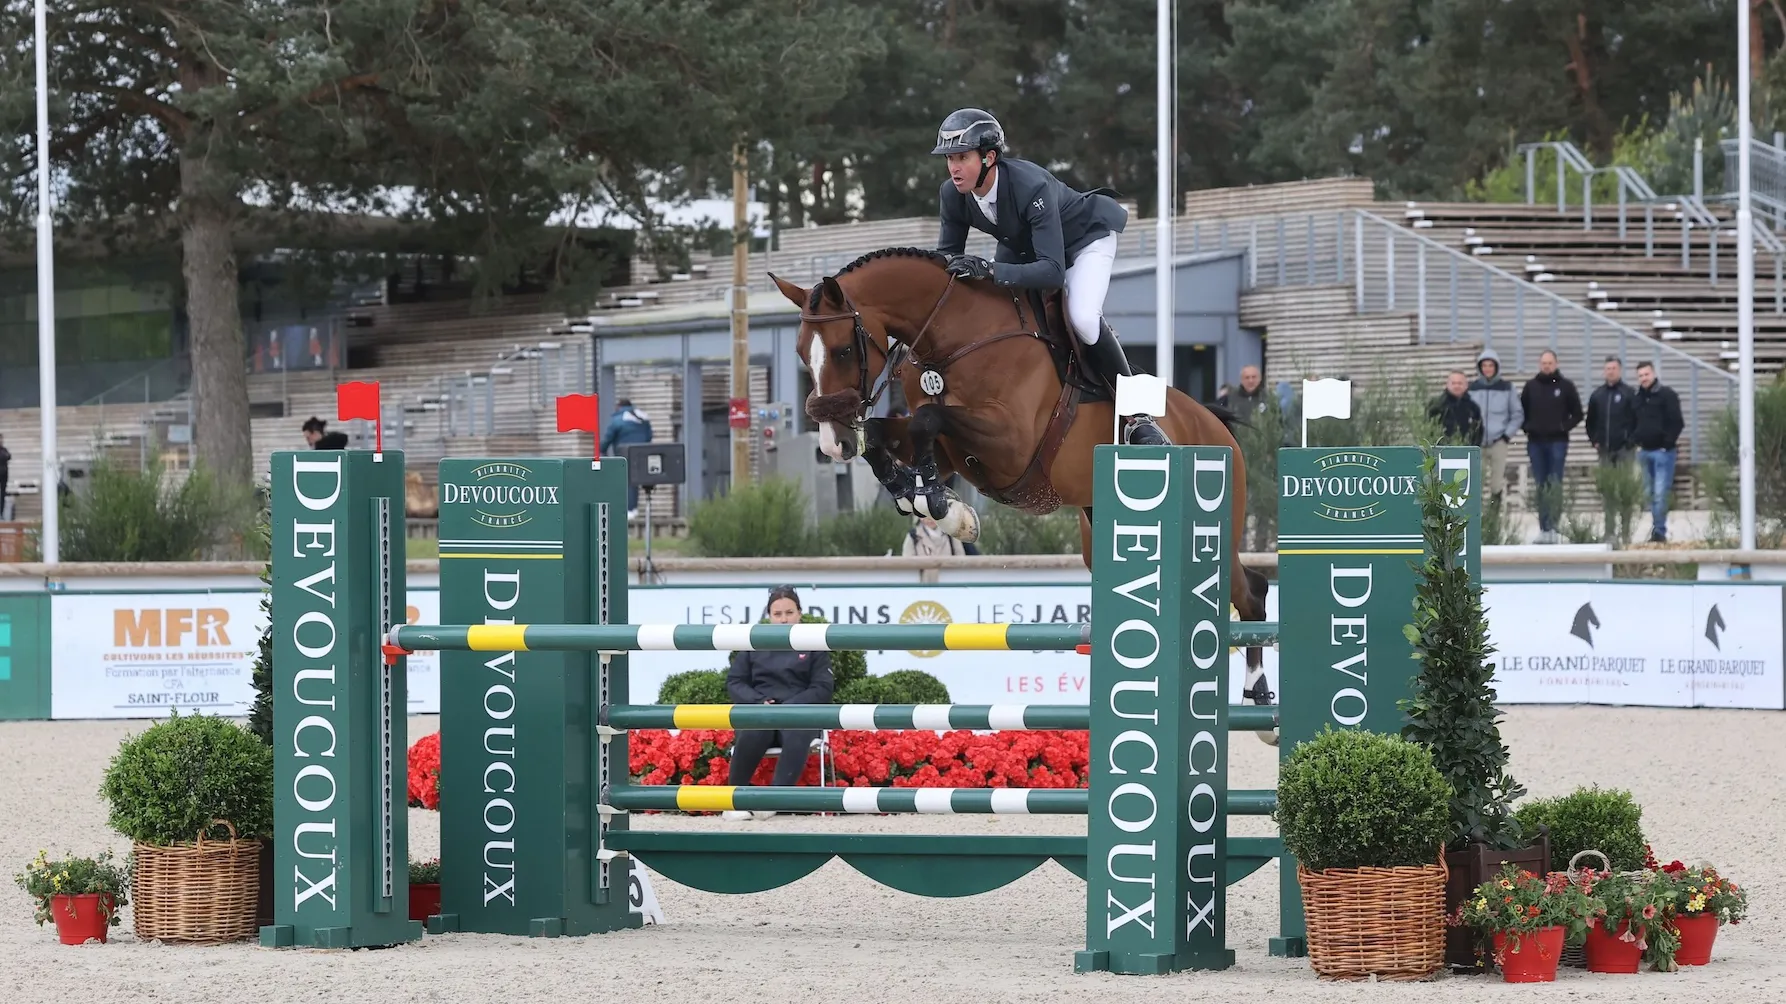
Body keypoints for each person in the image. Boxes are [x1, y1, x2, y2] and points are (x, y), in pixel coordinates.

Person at [929, 108, 1165, 446]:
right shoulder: (952, 194)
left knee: (1083, 318)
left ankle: (1136, 417)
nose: (953, 167)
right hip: (1025, 247)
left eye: (962, 157)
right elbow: (947, 261)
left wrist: (991, 270)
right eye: (949, 158)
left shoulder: (1029, 185)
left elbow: (1053, 273)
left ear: (989, 157)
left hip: (1084, 241)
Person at [723, 586, 835, 821]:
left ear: (800, 613)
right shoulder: (755, 642)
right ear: (769, 616)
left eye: (789, 612)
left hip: (797, 714)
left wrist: (790, 707)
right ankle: (733, 802)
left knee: (796, 731)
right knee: (754, 730)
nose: (784, 619)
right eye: (778, 614)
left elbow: (822, 687)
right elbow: (735, 681)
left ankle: (775, 801)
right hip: (762, 710)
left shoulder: (814, 643)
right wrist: (758, 702)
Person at [1520, 350, 1583, 544]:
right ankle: (1544, 527)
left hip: (1558, 442)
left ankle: (1554, 526)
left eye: (1550, 362)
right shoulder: (1531, 386)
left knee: (1555, 484)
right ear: (1539, 364)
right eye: (1543, 363)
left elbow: (1578, 413)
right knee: (1541, 485)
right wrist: (1528, 428)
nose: (1546, 366)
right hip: (1536, 443)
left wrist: (1563, 427)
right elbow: (1520, 412)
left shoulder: (1566, 386)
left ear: (1556, 363)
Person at [1630, 361, 1684, 543]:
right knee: (1649, 494)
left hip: (1663, 453)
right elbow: (1632, 422)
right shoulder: (1636, 398)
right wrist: (1635, 441)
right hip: (1644, 452)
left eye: (1646, 374)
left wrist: (1666, 443)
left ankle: (1659, 531)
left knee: (1661, 492)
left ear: (1653, 374)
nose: (1643, 378)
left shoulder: (1667, 395)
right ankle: (1656, 527)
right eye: (1640, 376)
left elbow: (1677, 422)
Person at [1467, 348, 1522, 510]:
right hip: (1477, 442)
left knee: (1496, 483)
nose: (1488, 369)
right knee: (1476, 481)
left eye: (1491, 365)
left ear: (1496, 367)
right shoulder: (1472, 388)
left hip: (1498, 441)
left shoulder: (1507, 388)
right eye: (1484, 365)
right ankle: (1476, 518)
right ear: (1480, 368)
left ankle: (1494, 520)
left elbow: (1517, 414)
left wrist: (1506, 435)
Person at [598, 399, 653, 518]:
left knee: (626, 481)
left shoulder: (618, 419)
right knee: (635, 481)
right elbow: (649, 436)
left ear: (619, 406)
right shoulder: (643, 418)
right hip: (642, 453)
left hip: (624, 454)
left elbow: (608, 438)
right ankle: (633, 508)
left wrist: (601, 450)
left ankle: (627, 509)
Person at [1585, 356, 1636, 466]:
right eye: (1608, 369)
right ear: (1604, 371)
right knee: (1606, 481)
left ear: (1620, 370)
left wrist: (1630, 441)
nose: (1611, 372)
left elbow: (1637, 418)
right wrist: (1594, 440)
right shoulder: (1597, 395)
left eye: (1614, 368)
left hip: (1624, 449)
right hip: (1604, 450)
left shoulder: (1629, 393)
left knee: (1625, 481)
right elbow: (1590, 421)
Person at [1427, 371, 1483, 446]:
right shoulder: (1436, 405)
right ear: (1447, 385)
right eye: (1453, 383)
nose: (1456, 386)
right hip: (1441, 451)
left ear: (1466, 385)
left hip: (1465, 452)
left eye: (1460, 383)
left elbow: (1478, 431)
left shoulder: (1473, 408)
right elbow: (1427, 429)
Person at [902, 515, 967, 556]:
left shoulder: (951, 534)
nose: (930, 519)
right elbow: (907, 563)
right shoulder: (913, 536)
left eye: (932, 515)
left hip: (948, 576)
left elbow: (960, 559)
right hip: (922, 577)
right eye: (926, 515)